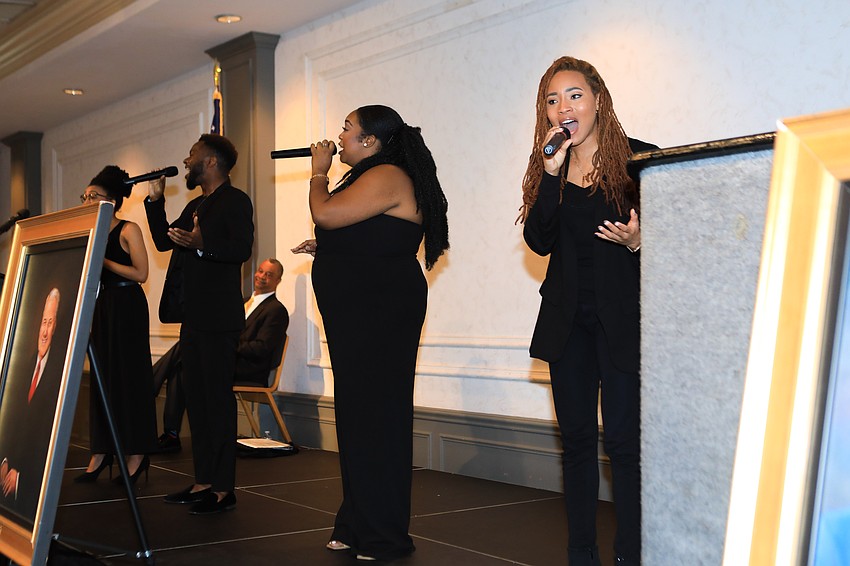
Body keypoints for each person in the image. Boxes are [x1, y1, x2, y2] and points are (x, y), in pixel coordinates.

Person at [292, 104, 448, 561]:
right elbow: (367, 233)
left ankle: (384, 535)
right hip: (363, 311)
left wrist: (317, 173)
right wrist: (332, 249)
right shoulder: (373, 177)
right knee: (360, 417)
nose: (339, 137)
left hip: (380, 313)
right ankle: (357, 522)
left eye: (347, 129)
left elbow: (325, 212)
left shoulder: (388, 176)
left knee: (377, 416)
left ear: (371, 141)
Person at [518, 57, 656, 566]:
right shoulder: (548, 166)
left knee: (623, 443)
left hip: (622, 322)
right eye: (552, 100)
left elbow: (682, 238)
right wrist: (551, 176)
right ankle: (581, 555)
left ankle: (632, 555)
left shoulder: (640, 162)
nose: (564, 108)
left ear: (599, 99)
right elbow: (538, 240)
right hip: (567, 324)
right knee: (576, 443)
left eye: (574, 95)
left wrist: (643, 241)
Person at [144, 134, 253, 515]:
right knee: (198, 401)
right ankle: (204, 480)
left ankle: (224, 489)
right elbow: (162, 241)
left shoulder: (235, 201)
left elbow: (241, 249)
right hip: (193, 318)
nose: (186, 160)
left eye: (192, 155)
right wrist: (155, 201)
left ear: (210, 162)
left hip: (220, 320)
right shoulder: (194, 203)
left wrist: (202, 246)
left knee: (217, 403)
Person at [153, 258, 290, 452]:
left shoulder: (276, 310)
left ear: (278, 280)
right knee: (185, 363)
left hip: (247, 369)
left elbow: (261, 349)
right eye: (260, 271)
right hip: (225, 360)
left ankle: (151, 384)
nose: (262, 277)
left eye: (269, 275)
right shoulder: (242, 303)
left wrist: (226, 344)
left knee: (188, 349)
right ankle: (171, 434)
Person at [75, 166, 158, 485]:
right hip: (102, 306)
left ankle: (136, 455)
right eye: (83, 196)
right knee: (101, 378)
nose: (85, 201)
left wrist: (102, 260)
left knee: (129, 378)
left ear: (110, 201)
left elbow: (141, 274)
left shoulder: (127, 229)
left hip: (126, 306)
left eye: (92, 196)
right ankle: (101, 451)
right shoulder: (90, 234)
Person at [0, 289, 63, 521]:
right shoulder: (24, 365)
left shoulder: (58, 374)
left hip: (30, 487)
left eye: (51, 323)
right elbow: (15, 419)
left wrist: (21, 475)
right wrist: (5, 461)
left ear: (56, 328)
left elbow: (46, 435)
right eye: (43, 322)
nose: (44, 331)